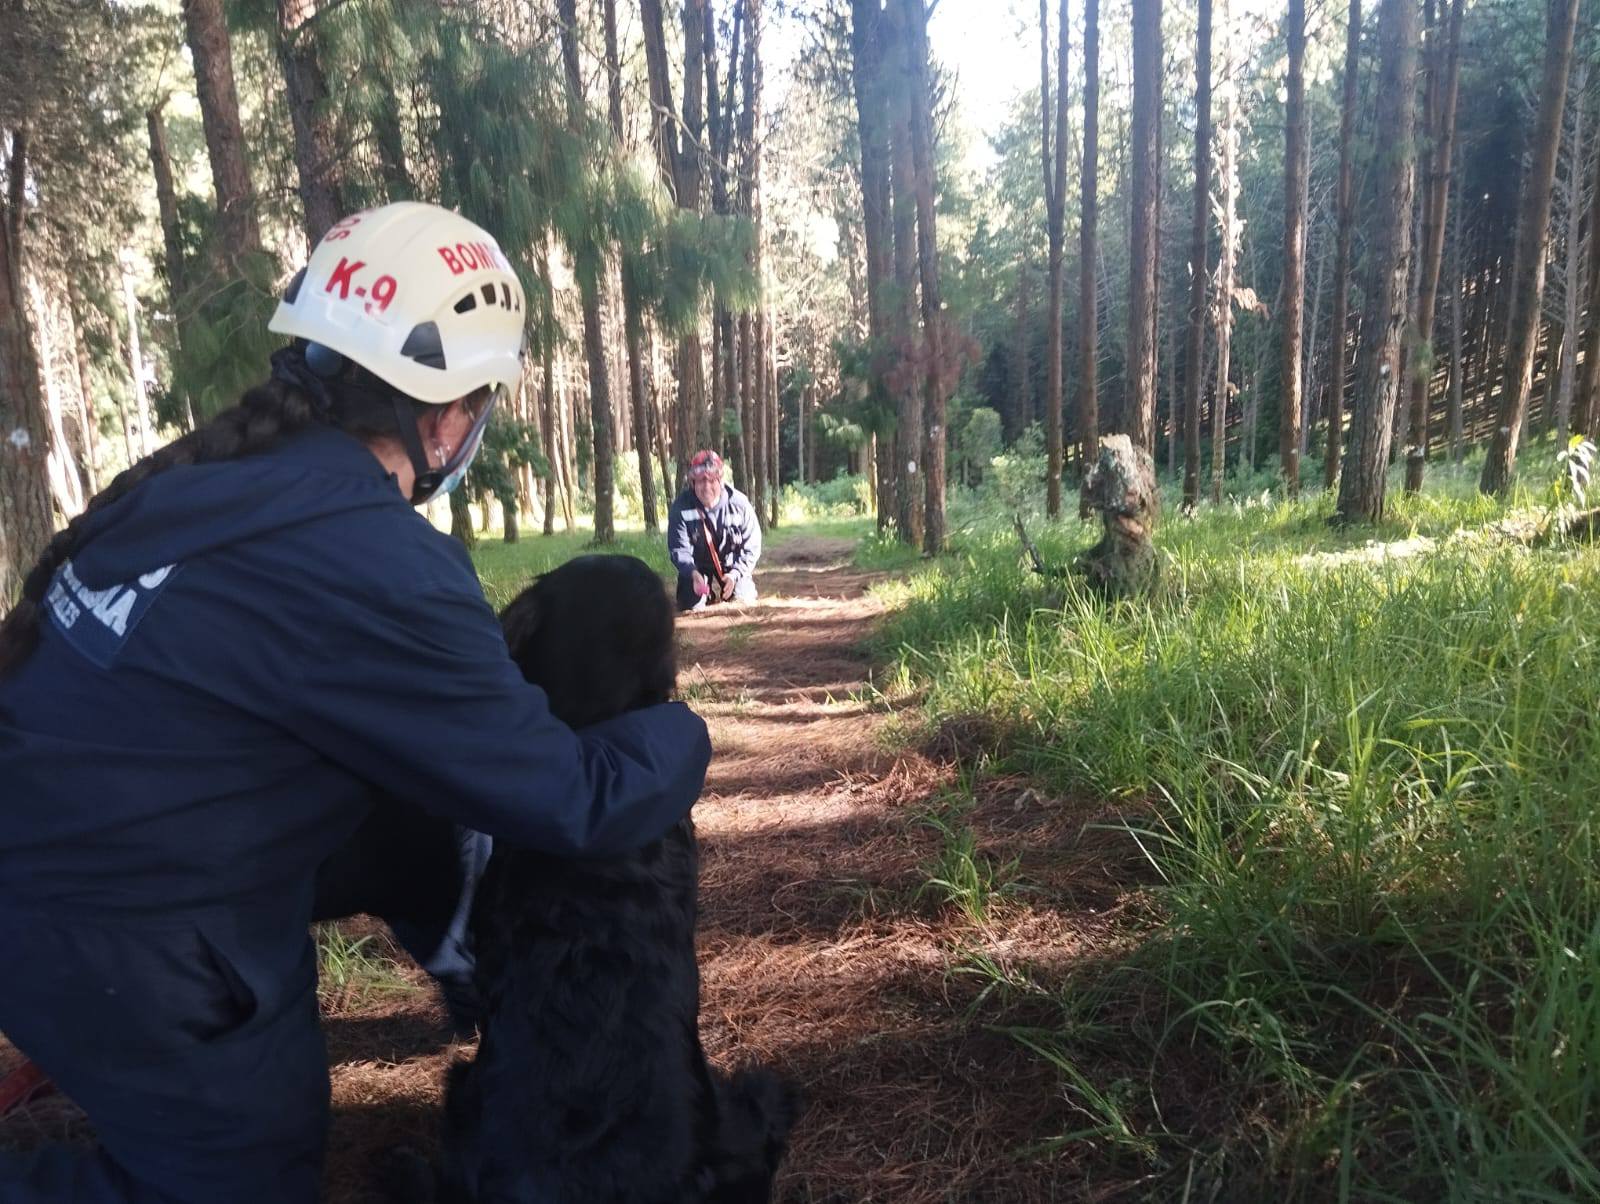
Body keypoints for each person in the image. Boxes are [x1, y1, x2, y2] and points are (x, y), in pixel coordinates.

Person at [0, 202, 711, 1203]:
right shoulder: (384, 564)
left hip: (67, 846)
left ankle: (462, 964)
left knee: (424, 803)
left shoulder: (208, 479)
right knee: (240, 1187)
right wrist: (680, 728)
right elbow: (570, 798)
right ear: (446, 416)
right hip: (105, 924)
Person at [666, 450, 762, 612]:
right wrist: (692, 573)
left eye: (712, 480)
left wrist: (736, 573)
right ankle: (705, 593)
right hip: (696, 567)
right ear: (693, 483)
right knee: (690, 606)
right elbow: (679, 549)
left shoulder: (739, 504)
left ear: (721, 481)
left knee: (743, 601)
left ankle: (735, 586)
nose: (706, 487)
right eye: (701, 481)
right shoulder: (680, 507)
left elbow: (752, 546)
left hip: (732, 566)